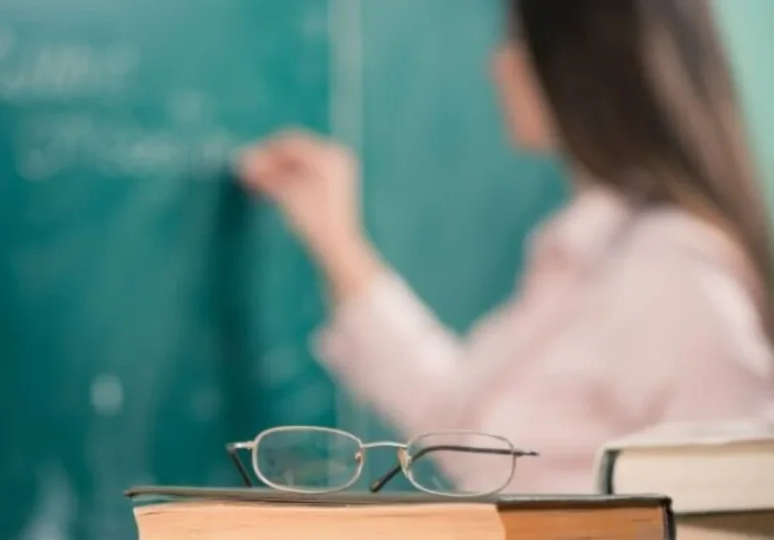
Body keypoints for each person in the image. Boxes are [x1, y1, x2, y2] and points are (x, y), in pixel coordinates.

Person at [237, 0, 774, 493]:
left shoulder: (673, 274)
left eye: (515, 43)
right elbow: (469, 434)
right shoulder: (590, 252)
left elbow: (727, 505)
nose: (497, 64)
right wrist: (339, 244)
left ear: (581, 65)